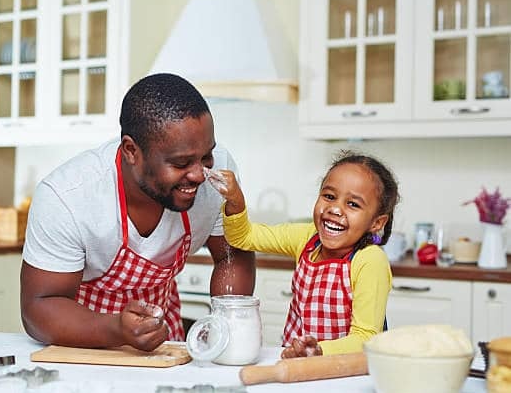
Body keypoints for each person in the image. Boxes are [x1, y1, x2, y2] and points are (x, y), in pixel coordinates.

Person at [20, 73, 255, 352]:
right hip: (82, 346)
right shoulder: (68, 197)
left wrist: (224, 329)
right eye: (181, 163)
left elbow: (232, 255)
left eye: (206, 157)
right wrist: (116, 329)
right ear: (131, 150)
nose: (199, 175)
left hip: (164, 344)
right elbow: (39, 307)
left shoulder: (216, 176)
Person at [206, 150, 399, 357]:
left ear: (377, 223)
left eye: (353, 204)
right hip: (297, 363)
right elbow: (244, 237)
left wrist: (318, 351)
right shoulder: (307, 237)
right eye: (329, 196)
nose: (335, 209)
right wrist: (235, 199)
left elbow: (365, 337)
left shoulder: (370, 260)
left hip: (343, 372)